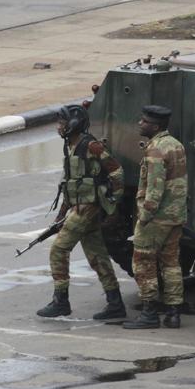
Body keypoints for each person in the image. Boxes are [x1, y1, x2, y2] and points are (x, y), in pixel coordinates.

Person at [37, 104, 126, 319]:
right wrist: (62, 212)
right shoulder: (71, 146)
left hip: (88, 208)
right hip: (79, 207)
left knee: (58, 250)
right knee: (97, 256)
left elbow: (116, 171)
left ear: (74, 124)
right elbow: (71, 182)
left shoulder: (91, 146)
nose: (59, 127)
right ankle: (115, 304)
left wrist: (113, 203)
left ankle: (61, 301)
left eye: (62, 123)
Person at [124, 104, 188, 329]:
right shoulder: (175, 145)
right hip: (175, 215)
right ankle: (173, 313)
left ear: (156, 125)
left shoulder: (156, 150)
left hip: (156, 217)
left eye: (144, 121)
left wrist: (145, 215)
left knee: (144, 262)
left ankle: (149, 312)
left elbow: (155, 186)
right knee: (171, 263)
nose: (140, 124)